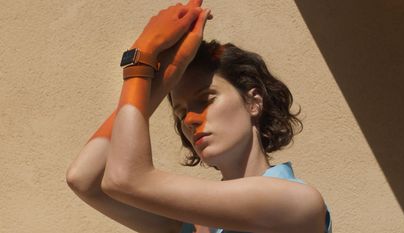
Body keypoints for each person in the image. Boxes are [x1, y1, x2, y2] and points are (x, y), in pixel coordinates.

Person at [66, 0, 332, 232]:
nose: (190, 120)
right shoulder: (201, 226)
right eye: (181, 113)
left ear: (253, 101)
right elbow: (84, 179)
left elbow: (125, 179)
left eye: (206, 100)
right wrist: (167, 76)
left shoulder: (297, 202)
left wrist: (141, 60)